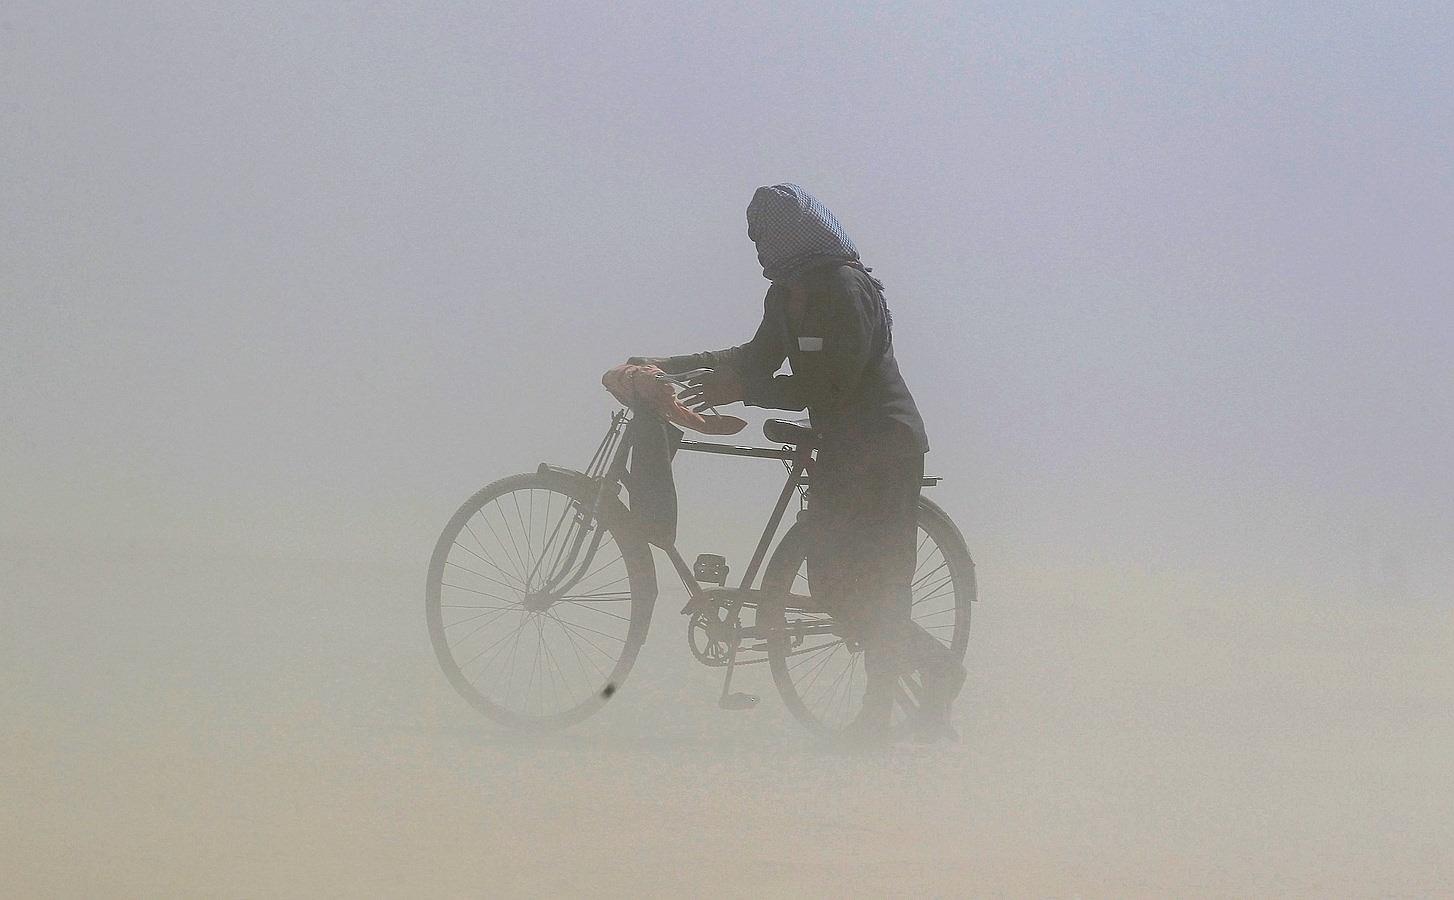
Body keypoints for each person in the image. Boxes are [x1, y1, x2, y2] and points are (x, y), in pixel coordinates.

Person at [631, 183, 965, 745]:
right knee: (837, 587)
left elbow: (827, 385)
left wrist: (736, 391)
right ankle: (911, 694)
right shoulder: (786, 294)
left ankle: (912, 691)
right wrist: (672, 368)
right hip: (839, 448)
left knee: (877, 587)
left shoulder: (843, 288)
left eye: (763, 236)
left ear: (787, 237)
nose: (758, 250)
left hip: (882, 447)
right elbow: (755, 359)